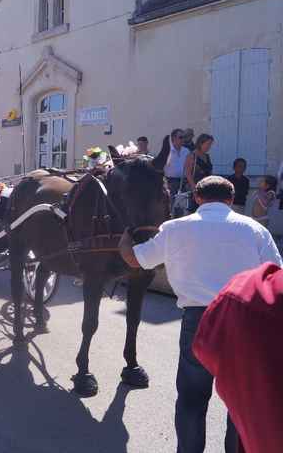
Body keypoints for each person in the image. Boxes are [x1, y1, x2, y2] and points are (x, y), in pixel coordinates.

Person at [118, 176, 282, 453]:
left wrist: (124, 241)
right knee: (241, 402)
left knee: (192, 401)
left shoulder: (175, 228)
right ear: (231, 200)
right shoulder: (255, 230)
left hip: (198, 321)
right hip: (244, 321)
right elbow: (275, 275)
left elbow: (137, 259)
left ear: (197, 198)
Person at [193, 262, 283, 453]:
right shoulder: (259, 232)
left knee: (192, 399)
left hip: (219, 317)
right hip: (235, 316)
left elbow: (141, 259)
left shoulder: (245, 291)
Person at [184, 133, 214, 212]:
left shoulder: (207, 156)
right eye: (207, 144)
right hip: (195, 189)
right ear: (201, 143)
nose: (209, 147)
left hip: (206, 189)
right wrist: (194, 189)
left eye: (210, 145)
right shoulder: (191, 155)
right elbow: (188, 174)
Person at [165, 129, 190, 216]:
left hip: (184, 181)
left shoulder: (186, 151)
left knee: (183, 205)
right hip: (171, 182)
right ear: (173, 139)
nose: (183, 139)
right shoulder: (167, 151)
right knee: (172, 204)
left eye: (184, 137)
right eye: (180, 137)